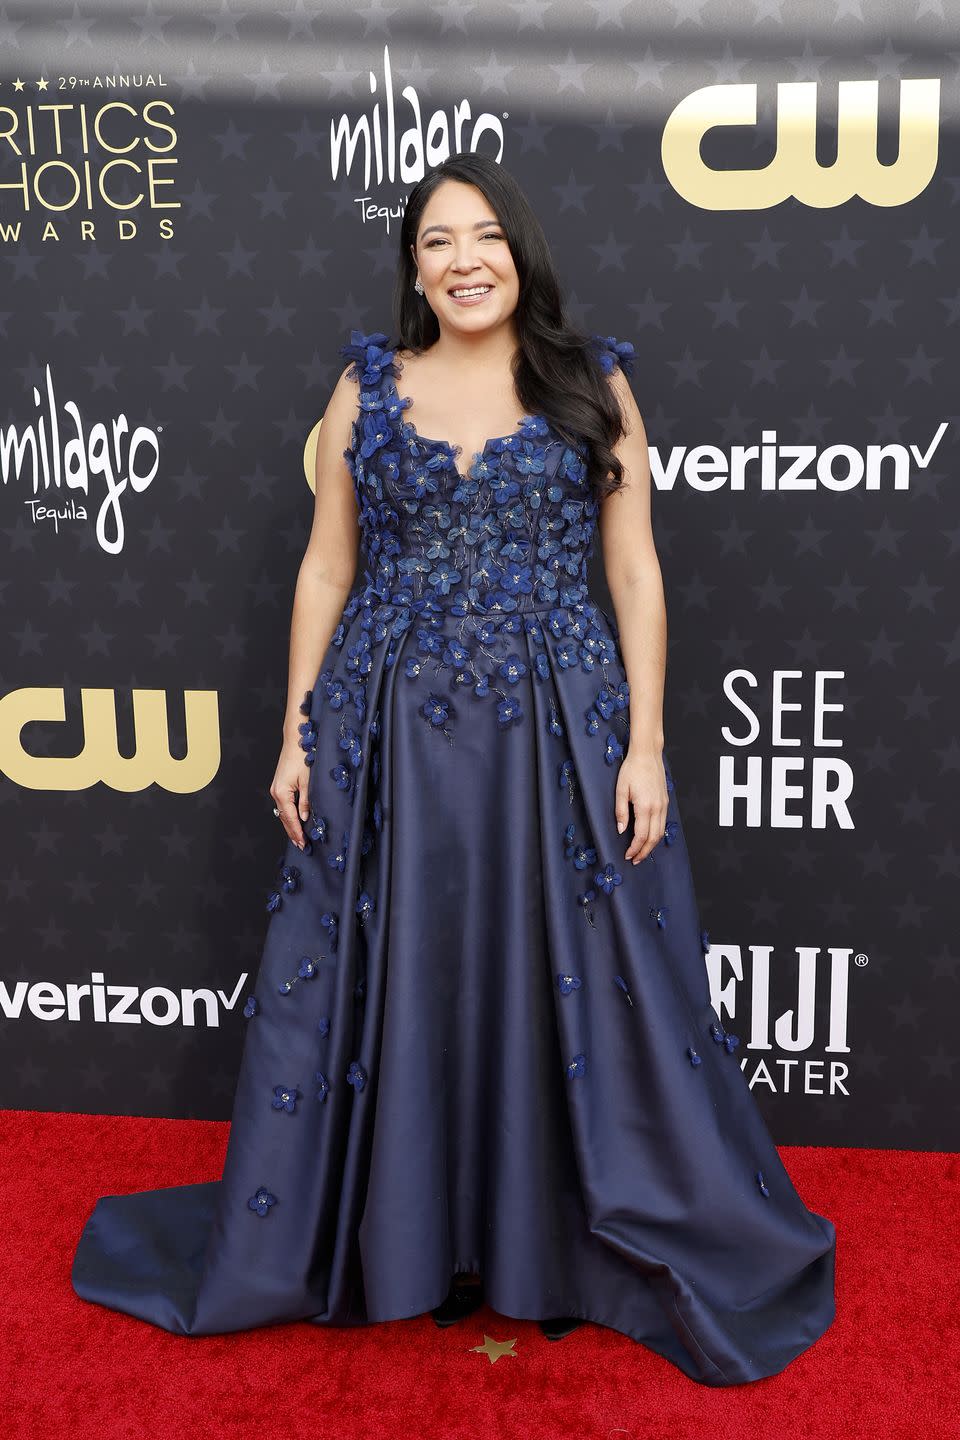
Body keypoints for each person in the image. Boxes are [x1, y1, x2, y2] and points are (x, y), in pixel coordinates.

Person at [71, 152, 836, 1385]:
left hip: (559, 722)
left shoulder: (593, 383)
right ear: (413, 268)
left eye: (485, 236)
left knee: (569, 975)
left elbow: (633, 570)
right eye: (437, 241)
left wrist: (644, 742)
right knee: (404, 972)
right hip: (387, 727)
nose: (464, 259)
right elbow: (327, 568)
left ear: (520, 253)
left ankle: (559, 1244)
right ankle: (403, 1238)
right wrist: (294, 727)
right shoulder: (364, 387)